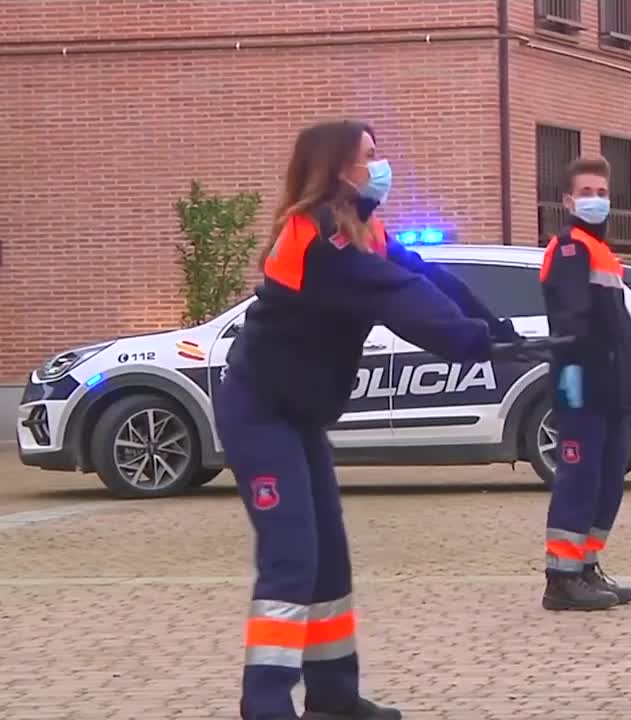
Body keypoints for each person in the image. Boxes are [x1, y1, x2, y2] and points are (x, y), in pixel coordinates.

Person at [217, 119, 522, 720]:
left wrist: (497, 327)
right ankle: (266, 704)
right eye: (370, 156)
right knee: (291, 558)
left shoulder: (363, 231)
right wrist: (472, 343)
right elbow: (399, 298)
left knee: (328, 553)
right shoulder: (323, 241)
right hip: (260, 410)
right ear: (338, 170)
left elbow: (427, 275)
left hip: (299, 413)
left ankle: (331, 694)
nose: (381, 166)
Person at [537, 156, 631, 612]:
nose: (596, 201)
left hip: (611, 389)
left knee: (608, 480)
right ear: (568, 200)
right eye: (586, 193)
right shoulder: (570, 248)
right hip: (582, 385)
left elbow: (617, 328)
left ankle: (586, 566)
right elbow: (574, 319)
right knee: (580, 478)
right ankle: (561, 578)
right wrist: (578, 367)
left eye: (602, 193)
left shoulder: (601, 251)